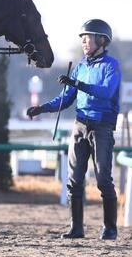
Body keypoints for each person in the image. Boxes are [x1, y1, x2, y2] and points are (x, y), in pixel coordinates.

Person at [27, 19, 121, 240]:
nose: (84, 42)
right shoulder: (81, 66)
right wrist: (42, 109)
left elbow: (106, 92)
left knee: (103, 180)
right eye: (82, 39)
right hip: (80, 126)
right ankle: (76, 228)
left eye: (87, 38)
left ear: (101, 40)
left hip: (102, 128)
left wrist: (77, 84)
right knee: (74, 180)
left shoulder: (111, 66)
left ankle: (110, 228)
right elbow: (66, 98)